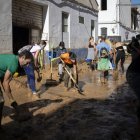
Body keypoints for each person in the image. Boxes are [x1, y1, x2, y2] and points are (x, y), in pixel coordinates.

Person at [0, 51, 33, 129]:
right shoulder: (14, 64)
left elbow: (3, 80)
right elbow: (5, 83)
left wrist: (8, 91)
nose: (27, 65)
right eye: (27, 62)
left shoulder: (13, 58)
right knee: (0, 101)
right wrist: (12, 100)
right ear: (23, 58)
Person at [126, 35, 140, 120]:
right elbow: (128, 49)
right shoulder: (135, 49)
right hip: (133, 73)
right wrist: (133, 44)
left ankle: (132, 104)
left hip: (133, 71)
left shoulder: (134, 49)